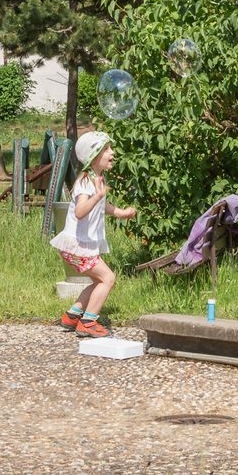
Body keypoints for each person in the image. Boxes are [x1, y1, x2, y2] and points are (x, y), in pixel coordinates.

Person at [48, 131, 137, 338]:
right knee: (108, 279)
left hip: (81, 246)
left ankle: (72, 316)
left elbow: (101, 206)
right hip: (78, 245)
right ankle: (88, 322)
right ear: (94, 157)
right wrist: (97, 196)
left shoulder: (97, 179)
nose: (112, 153)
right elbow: (80, 211)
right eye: (106, 149)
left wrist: (121, 213)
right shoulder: (85, 182)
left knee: (98, 281)